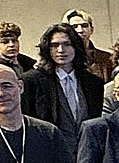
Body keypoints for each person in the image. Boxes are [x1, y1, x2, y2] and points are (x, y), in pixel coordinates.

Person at [21, 23, 104, 153]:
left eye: (67, 44)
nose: (60, 50)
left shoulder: (94, 82)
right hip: (49, 153)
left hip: (88, 154)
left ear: (76, 47)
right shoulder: (32, 81)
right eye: (54, 45)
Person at [64, 8, 115, 81]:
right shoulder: (62, 59)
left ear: (92, 29)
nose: (80, 30)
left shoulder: (107, 59)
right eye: (74, 26)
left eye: (84, 25)